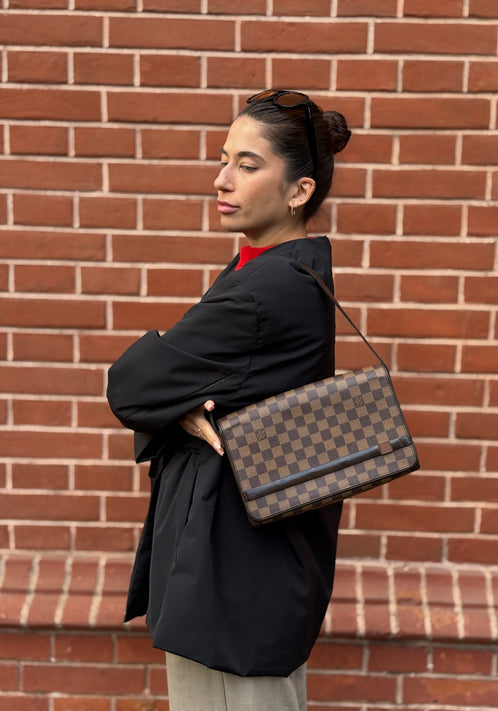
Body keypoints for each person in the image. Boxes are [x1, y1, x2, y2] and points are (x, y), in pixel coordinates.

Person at [106, 89, 351, 711]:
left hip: (231, 580)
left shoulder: (262, 292)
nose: (221, 179)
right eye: (223, 160)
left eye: (247, 165)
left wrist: (176, 401)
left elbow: (129, 384)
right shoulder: (280, 269)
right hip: (248, 571)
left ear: (299, 191)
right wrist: (184, 406)